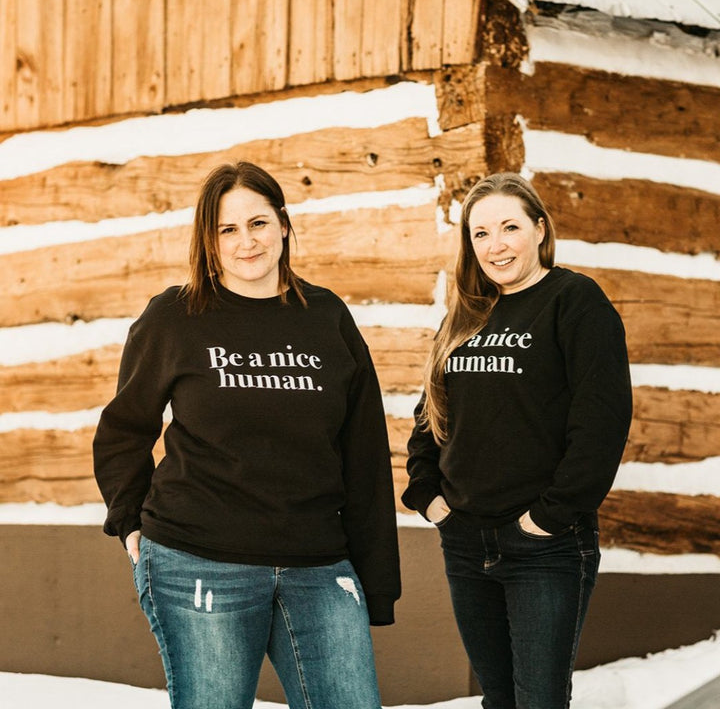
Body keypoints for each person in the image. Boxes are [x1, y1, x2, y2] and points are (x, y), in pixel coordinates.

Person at [93, 160, 401, 709]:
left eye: (258, 223)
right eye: (226, 230)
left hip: (318, 564)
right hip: (198, 561)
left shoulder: (327, 317)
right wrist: (129, 522)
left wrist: (375, 578)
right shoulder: (176, 317)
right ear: (209, 243)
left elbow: (365, 454)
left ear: (283, 224)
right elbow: (123, 430)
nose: (246, 242)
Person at [402, 172, 632, 709]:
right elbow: (429, 414)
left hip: (544, 545)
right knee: (499, 700)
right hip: (464, 538)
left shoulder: (575, 302)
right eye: (480, 233)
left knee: (539, 702)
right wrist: (429, 496)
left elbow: (602, 422)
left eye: (509, 227)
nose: (495, 245)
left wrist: (552, 515)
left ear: (539, 229)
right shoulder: (465, 314)